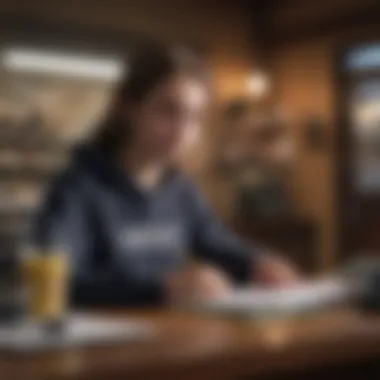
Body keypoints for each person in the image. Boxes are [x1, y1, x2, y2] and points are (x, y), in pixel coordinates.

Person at [34, 43, 298, 307]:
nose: (182, 131)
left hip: (170, 339)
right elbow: (59, 280)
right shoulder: (78, 188)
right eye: (168, 110)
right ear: (128, 108)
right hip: (101, 343)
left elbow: (222, 245)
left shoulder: (180, 189)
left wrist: (258, 264)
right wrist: (160, 287)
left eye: (194, 117)